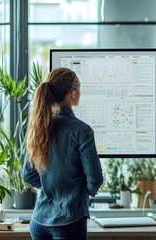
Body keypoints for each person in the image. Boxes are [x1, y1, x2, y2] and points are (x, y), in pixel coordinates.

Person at [23, 67, 103, 240]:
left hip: (39, 221)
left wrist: (50, 185)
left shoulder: (38, 127)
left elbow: (28, 175)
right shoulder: (82, 131)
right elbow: (95, 180)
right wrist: (78, 193)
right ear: (73, 93)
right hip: (70, 220)